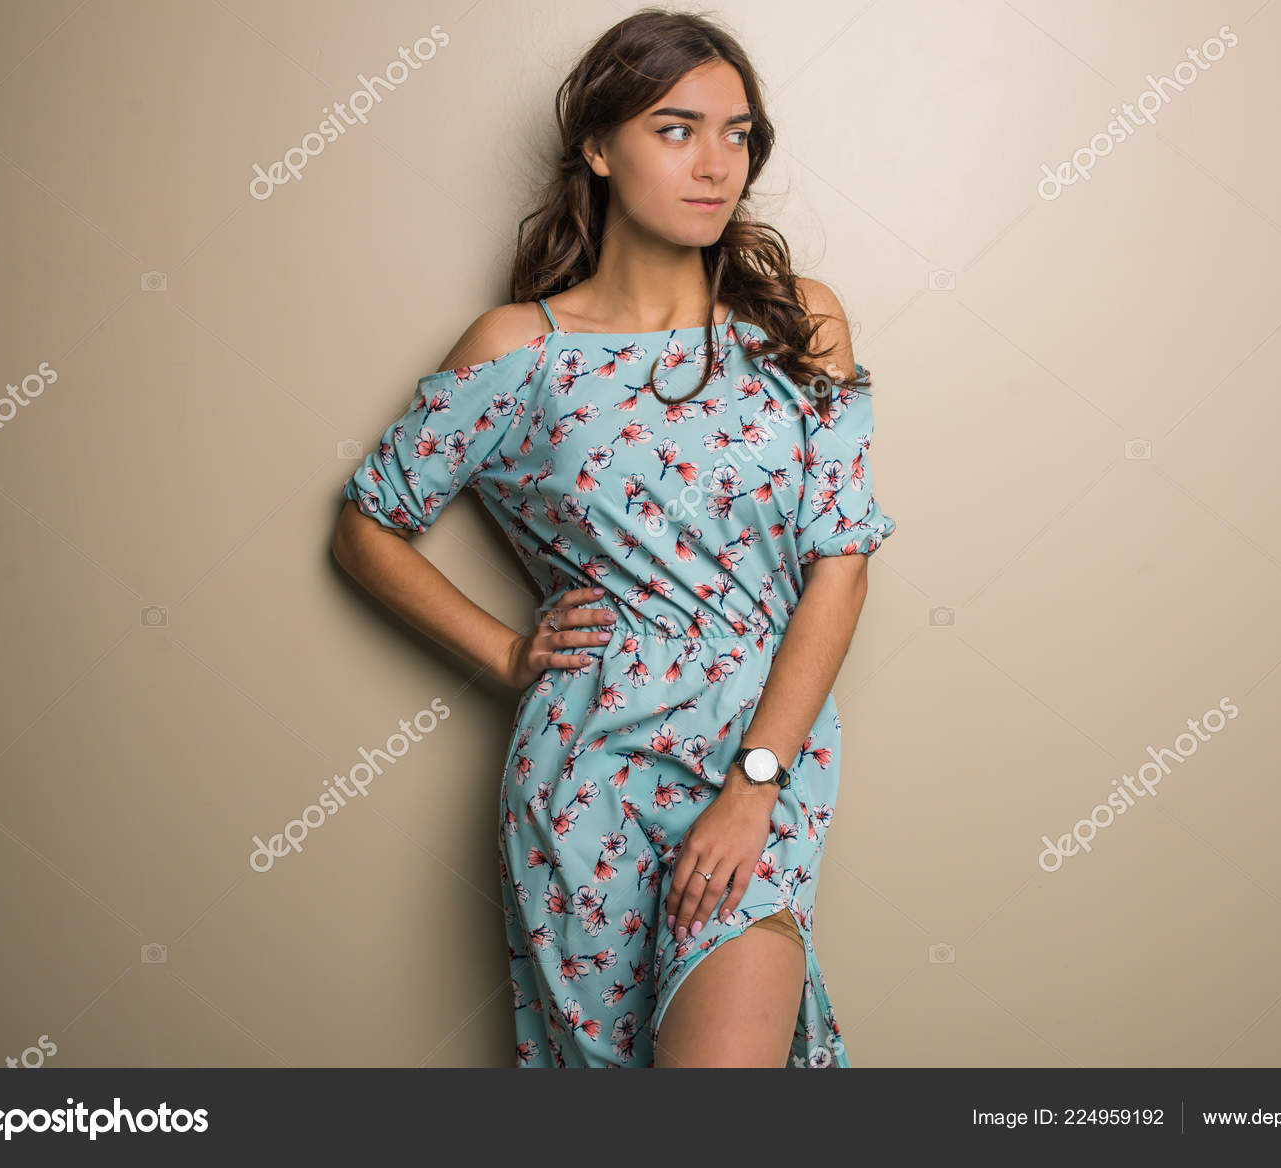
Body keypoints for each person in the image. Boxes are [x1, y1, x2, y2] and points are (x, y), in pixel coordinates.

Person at [332, 8, 896, 1068]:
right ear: (598, 146)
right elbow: (368, 527)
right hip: (584, 778)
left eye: (739, 135)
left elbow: (842, 567)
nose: (716, 163)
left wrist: (753, 785)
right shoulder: (523, 350)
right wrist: (505, 652)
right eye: (675, 128)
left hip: (754, 761)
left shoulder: (795, 323)